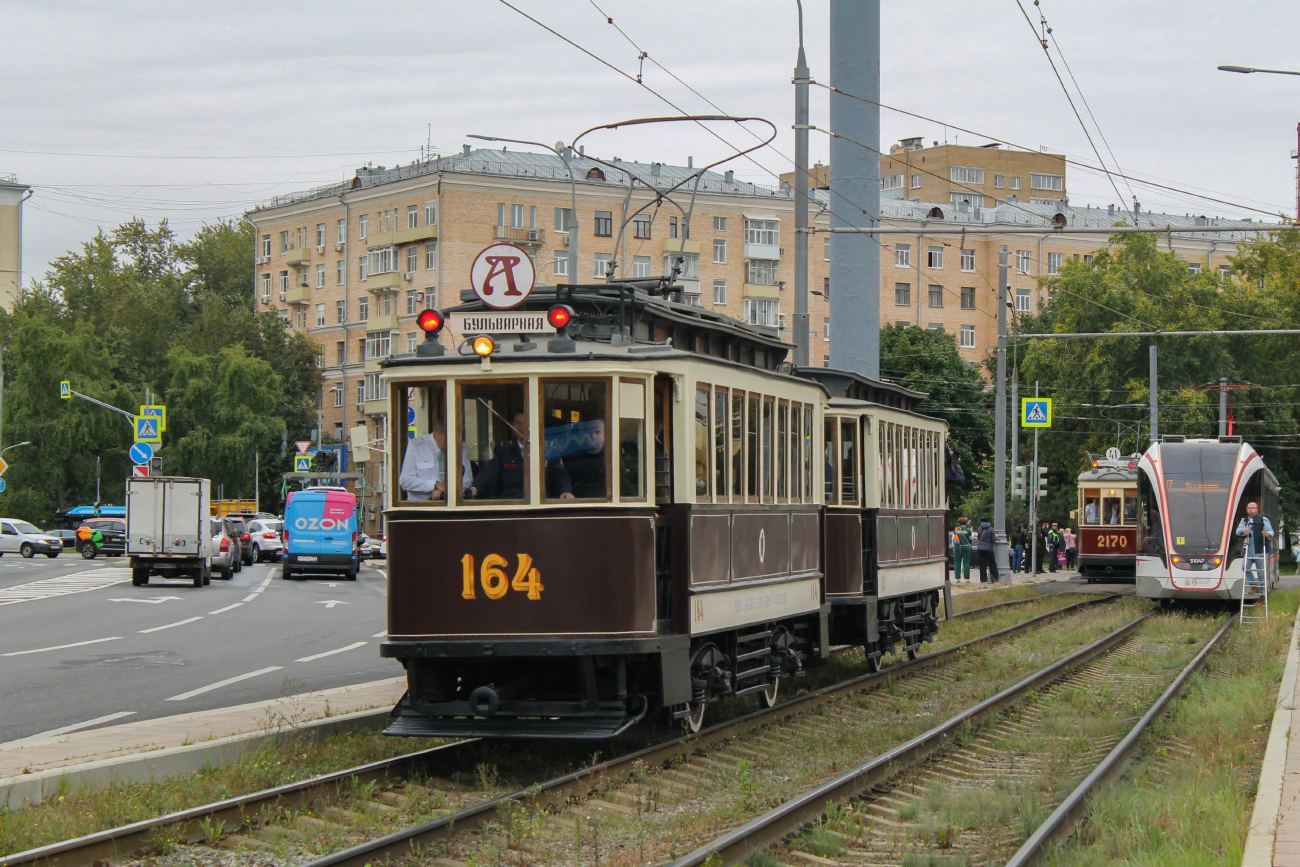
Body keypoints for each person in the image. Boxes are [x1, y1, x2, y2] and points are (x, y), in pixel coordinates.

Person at [468, 412, 574, 500]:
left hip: (541, 504)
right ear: (512, 426)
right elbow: (488, 472)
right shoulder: (504, 451)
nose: (522, 427)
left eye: (526, 423)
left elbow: (560, 475)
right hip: (510, 505)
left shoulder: (548, 449)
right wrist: (475, 488)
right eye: (518, 423)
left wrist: (566, 491)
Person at [399, 422, 471, 502]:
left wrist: (446, 491)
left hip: (452, 505)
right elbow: (405, 481)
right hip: (420, 507)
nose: (451, 442)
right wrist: (435, 485)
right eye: (448, 437)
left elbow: (467, 479)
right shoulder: (416, 446)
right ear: (437, 431)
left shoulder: (460, 447)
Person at [561, 419, 607, 499]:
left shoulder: (612, 459)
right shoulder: (573, 458)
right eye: (589, 432)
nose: (593, 436)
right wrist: (566, 492)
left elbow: (625, 486)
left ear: (605, 436)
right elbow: (564, 478)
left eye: (597, 432)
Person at [1235, 502, 1274, 592]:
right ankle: (1254, 586)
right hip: (1249, 550)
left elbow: (1271, 531)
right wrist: (1242, 531)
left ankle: (1262, 595)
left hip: (1260, 550)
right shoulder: (1244, 520)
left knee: (1261, 574)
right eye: (1248, 508)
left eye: (1252, 508)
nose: (1250, 509)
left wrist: (1267, 534)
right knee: (1245, 566)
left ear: (1257, 509)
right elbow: (1238, 531)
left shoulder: (1263, 519)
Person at [976, 516, 999, 584]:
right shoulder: (991, 529)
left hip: (980, 548)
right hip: (988, 548)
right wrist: (997, 536)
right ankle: (995, 578)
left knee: (982, 564)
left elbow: (979, 537)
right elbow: (993, 539)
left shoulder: (979, 529)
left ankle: (983, 579)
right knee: (992, 563)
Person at [954, 516, 973, 582]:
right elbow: (972, 538)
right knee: (966, 562)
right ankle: (967, 578)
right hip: (966, 546)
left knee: (957, 562)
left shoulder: (956, 529)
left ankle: (957, 578)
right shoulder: (968, 530)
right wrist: (971, 531)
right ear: (966, 523)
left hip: (957, 547)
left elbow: (954, 538)